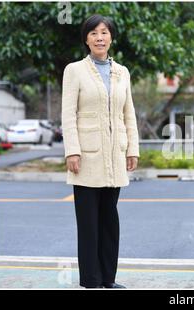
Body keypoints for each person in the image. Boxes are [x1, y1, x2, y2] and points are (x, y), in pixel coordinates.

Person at [61, 14, 139, 288]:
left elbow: (128, 113)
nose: (99, 38)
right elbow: (68, 115)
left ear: (111, 38)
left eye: (104, 32)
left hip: (115, 154)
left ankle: (108, 278)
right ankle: (91, 280)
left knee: (110, 220)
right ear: (86, 39)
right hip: (86, 156)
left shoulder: (122, 72)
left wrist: (133, 149)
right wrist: (72, 151)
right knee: (88, 223)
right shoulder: (74, 70)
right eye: (93, 33)